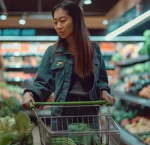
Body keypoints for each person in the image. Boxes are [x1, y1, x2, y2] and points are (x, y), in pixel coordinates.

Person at [22, 0, 115, 131]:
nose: (58, 26)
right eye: (55, 22)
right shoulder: (52, 52)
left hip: (89, 117)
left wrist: (104, 91)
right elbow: (43, 82)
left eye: (63, 20)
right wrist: (30, 93)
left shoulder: (94, 50)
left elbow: (101, 80)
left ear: (76, 20)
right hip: (62, 118)